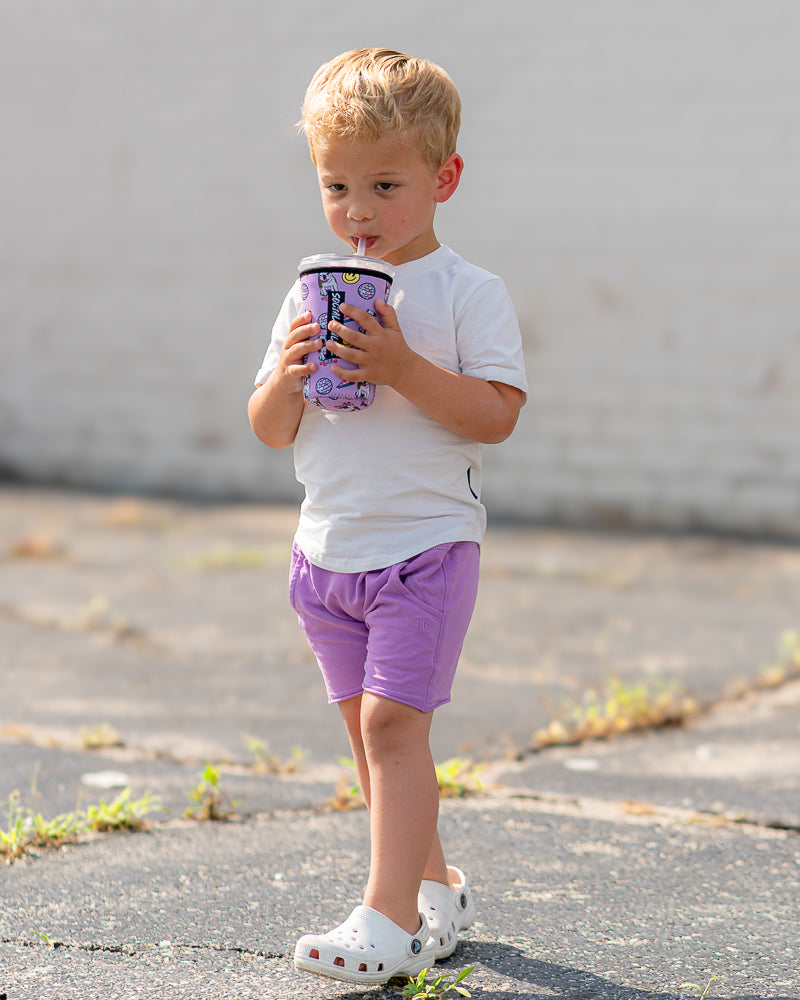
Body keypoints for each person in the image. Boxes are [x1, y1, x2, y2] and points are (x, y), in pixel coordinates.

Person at [248, 48, 528, 986]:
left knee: (392, 730)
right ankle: (436, 885)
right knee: (374, 743)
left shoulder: (467, 293)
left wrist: (403, 365)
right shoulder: (308, 292)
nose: (357, 210)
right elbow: (269, 428)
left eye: (382, 183)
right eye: (335, 185)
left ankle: (389, 918)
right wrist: (287, 376)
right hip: (326, 554)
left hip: (425, 550)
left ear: (443, 179)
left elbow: (497, 414)